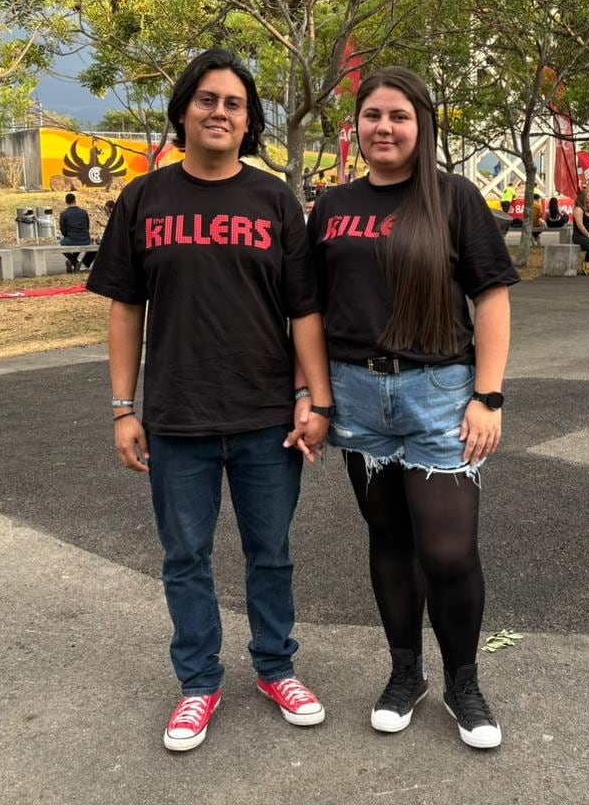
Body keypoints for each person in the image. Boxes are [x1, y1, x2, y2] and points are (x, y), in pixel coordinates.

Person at [86, 48, 332, 754]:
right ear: (184, 109)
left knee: (271, 553)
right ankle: (198, 684)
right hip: (177, 418)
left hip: (264, 419)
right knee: (185, 556)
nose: (219, 112)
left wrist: (315, 400)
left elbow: (304, 311)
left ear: (249, 120)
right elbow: (125, 308)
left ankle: (276, 668)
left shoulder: (274, 200)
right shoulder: (144, 198)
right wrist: (121, 408)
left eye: (234, 103)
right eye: (207, 99)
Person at [307, 67, 518, 750]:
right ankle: (406, 673)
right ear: (357, 125)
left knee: (449, 551)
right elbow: (309, 309)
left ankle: (464, 681)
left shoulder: (454, 199)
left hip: (439, 396)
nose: (384, 128)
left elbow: (491, 298)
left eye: (398, 116)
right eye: (372, 115)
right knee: (390, 541)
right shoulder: (333, 205)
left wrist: (488, 395)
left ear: (421, 125)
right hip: (358, 399)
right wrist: (310, 396)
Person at [58, 192, 94, 272]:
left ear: (66, 202)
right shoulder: (84, 212)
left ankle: (73, 261)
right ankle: (72, 261)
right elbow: (87, 227)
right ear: (75, 200)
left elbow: (63, 231)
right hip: (85, 239)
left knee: (61, 244)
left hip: (72, 239)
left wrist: (67, 236)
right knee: (77, 242)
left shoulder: (64, 214)